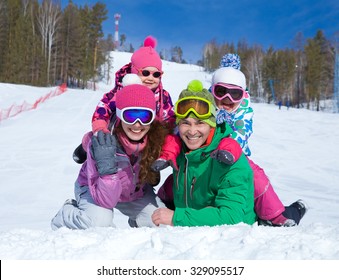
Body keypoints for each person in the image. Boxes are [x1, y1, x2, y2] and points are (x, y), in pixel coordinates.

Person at [51, 84, 169, 230]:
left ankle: (139, 223)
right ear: (119, 114)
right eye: (130, 115)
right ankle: (66, 215)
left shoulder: (154, 140)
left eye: (144, 116)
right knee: (99, 224)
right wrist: (107, 170)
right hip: (96, 190)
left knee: (162, 222)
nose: (137, 124)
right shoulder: (102, 142)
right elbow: (106, 200)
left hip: (133, 193)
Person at [211, 62, 307, 227]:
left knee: (255, 176)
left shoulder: (243, 111)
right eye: (221, 92)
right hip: (205, 155)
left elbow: (242, 132)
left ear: (242, 96)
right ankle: (164, 200)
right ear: (212, 91)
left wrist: (227, 150)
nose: (227, 99)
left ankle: (275, 216)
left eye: (235, 94)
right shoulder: (205, 106)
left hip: (235, 157)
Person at [151, 83, 256, 227]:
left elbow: (232, 217)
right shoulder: (183, 152)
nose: (192, 131)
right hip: (191, 235)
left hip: (233, 242)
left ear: (212, 124)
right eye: (185, 123)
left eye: (200, 123)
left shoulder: (230, 159)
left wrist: (176, 217)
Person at [72, 35, 175, 164]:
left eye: (156, 74)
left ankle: (147, 170)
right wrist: (100, 126)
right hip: (119, 130)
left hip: (144, 133)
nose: (151, 78)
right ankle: (86, 146)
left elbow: (170, 117)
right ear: (134, 71)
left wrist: (167, 134)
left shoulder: (162, 96)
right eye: (145, 73)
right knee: (101, 139)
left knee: (152, 142)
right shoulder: (123, 91)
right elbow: (104, 106)